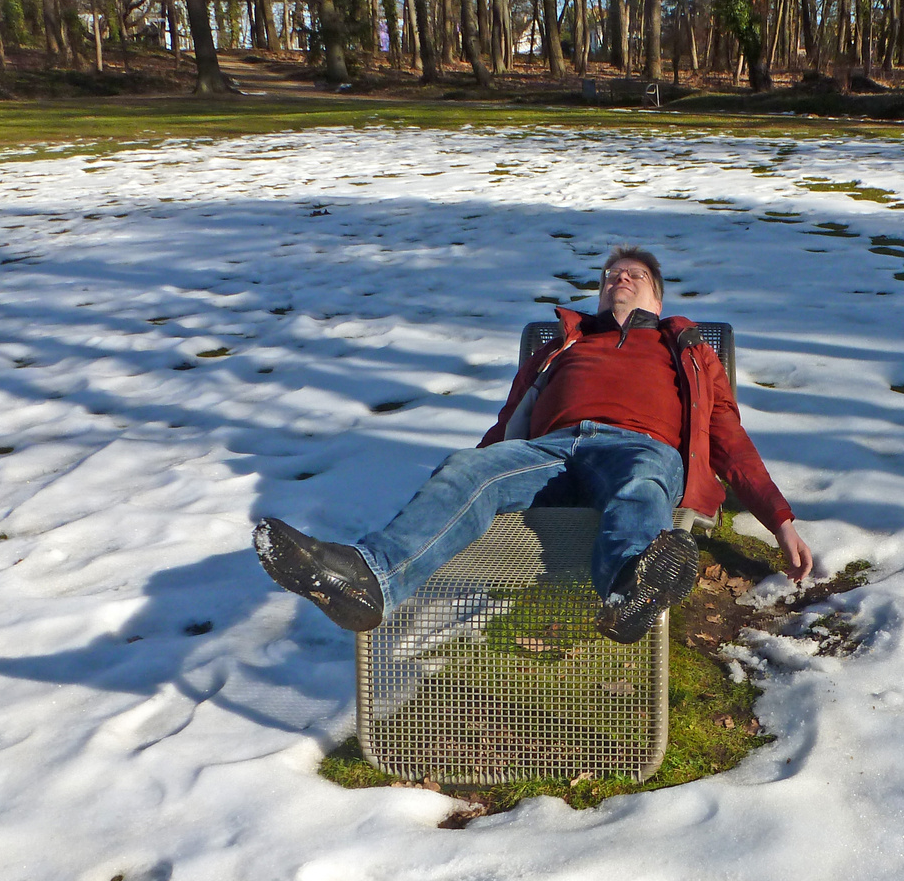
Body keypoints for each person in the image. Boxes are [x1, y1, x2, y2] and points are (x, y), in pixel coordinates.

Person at [254, 246, 812, 645]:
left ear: (657, 297)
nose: (621, 278)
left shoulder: (685, 349)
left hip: (637, 447)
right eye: (612, 274)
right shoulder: (565, 344)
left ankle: (628, 591)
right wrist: (484, 458)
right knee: (463, 470)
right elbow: (508, 421)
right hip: (549, 451)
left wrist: (780, 522)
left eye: (636, 274)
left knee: (641, 481)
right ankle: (369, 581)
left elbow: (729, 438)